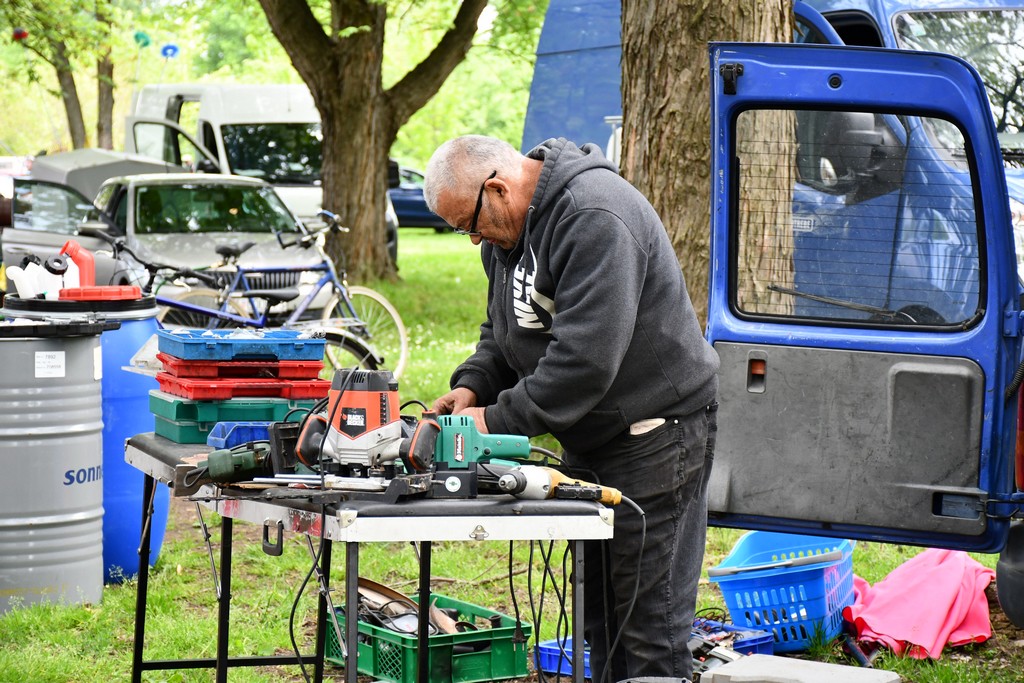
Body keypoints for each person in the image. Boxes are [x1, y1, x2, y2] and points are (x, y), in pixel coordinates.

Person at [423, 135, 719, 683]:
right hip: (592, 437)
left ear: (497, 188)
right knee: (599, 619)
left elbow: (584, 362)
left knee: (650, 628)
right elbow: (506, 330)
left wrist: (491, 421)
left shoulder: (594, 215)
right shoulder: (507, 232)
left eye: (469, 224)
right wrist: (474, 386)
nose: (474, 239)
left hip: (656, 434)